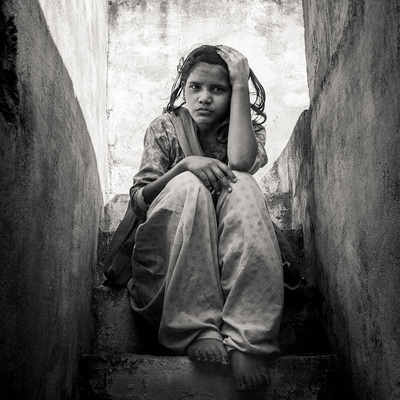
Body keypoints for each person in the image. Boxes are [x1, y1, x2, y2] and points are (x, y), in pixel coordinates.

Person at [125, 44, 284, 391]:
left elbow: (242, 163)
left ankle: (247, 337)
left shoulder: (246, 129)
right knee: (189, 183)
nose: (204, 98)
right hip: (168, 267)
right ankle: (194, 326)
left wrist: (241, 81)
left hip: (229, 258)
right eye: (195, 87)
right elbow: (140, 199)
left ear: (232, 93)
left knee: (240, 183)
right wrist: (183, 167)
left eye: (219, 89)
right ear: (183, 87)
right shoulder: (164, 128)